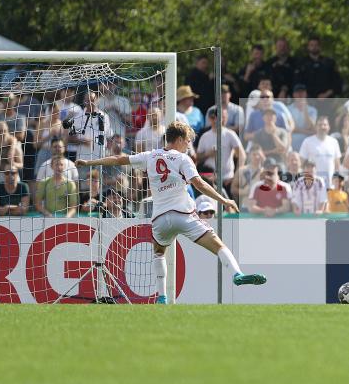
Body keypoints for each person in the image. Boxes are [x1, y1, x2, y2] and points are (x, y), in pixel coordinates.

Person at [77, 121, 265, 301]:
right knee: (218, 245)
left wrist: (89, 163)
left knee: (159, 253)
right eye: (188, 140)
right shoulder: (183, 158)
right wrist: (223, 199)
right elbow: (198, 184)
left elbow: (119, 158)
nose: (189, 145)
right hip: (183, 215)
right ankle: (237, 274)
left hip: (160, 219)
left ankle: (161, 297)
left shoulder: (150, 155)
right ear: (180, 139)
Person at [197, 106, 246, 196]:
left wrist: (236, 177)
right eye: (214, 117)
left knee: (229, 208)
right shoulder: (205, 136)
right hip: (210, 180)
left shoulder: (230, 134)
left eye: (222, 117)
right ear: (210, 119)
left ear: (226, 118)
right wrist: (208, 154)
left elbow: (242, 155)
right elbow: (198, 158)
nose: (218, 120)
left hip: (227, 179)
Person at [298, 116, 341, 187]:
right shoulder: (308, 141)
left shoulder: (334, 142)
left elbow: (337, 165)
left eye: (325, 125)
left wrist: (336, 180)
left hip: (329, 185)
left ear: (329, 127)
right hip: (312, 184)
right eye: (320, 125)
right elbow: (301, 163)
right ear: (316, 127)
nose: (322, 127)